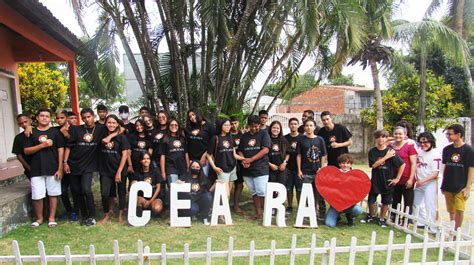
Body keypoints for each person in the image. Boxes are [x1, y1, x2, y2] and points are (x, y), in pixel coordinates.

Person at [64, 108, 107, 226]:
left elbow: (120, 128)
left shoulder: (100, 129)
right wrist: (65, 162)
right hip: (74, 164)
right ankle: (84, 215)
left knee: (86, 190)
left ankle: (92, 216)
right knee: (77, 191)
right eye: (84, 118)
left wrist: (109, 137)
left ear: (93, 116)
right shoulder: (76, 130)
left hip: (89, 165)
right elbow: (69, 147)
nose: (87, 119)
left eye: (89, 117)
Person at [24, 109, 65, 228]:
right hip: (36, 168)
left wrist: (60, 168)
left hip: (53, 168)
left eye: (47, 116)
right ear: (37, 117)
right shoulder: (31, 132)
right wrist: (43, 145)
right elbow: (26, 151)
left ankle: (51, 218)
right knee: (37, 195)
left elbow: (60, 150)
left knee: (53, 194)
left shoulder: (55, 132)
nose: (44, 118)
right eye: (42, 116)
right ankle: (39, 218)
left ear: (50, 118)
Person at [362, 130, 405, 228]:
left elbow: (402, 164)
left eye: (383, 137)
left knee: (386, 201)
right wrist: (386, 157)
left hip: (387, 181)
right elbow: (374, 165)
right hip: (376, 180)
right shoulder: (372, 151)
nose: (381, 139)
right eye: (378, 137)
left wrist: (397, 178)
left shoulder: (390, 151)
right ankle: (371, 215)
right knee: (371, 200)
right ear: (376, 138)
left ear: (386, 139)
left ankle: (382, 218)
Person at [237, 115, 271, 220]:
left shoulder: (264, 134)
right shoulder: (244, 136)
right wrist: (243, 160)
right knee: (254, 192)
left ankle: (267, 213)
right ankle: (258, 213)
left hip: (260, 168)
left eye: (257, 126)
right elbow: (240, 150)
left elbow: (265, 150)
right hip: (247, 169)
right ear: (248, 125)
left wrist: (251, 159)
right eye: (252, 126)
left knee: (262, 191)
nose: (255, 128)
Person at [441, 124, 474, 230]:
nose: (448, 137)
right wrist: (442, 184)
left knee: (460, 209)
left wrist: (468, 187)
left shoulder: (468, 150)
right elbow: (444, 166)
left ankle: (457, 231)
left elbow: (471, 169)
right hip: (448, 184)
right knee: (451, 210)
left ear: (459, 135)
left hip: (461, 185)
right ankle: (452, 229)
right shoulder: (446, 149)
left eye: (450, 134)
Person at [98, 115, 130, 224]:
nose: (111, 125)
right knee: (105, 193)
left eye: (114, 123)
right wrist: (114, 134)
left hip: (120, 170)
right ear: (105, 123)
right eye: (109, 122)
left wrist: (119, 172)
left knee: (121, 192)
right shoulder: (102, 135)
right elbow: (104, 141)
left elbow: (125, 155)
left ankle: (120, 215)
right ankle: (107, 213)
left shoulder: (122, 138)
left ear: (117, 124)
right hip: (105, 170)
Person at [296, 119, 327, 220]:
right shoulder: (301, 140)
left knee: (320, 194)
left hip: (317, 171)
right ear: (304, 127)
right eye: (307, 126)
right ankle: (307, 213)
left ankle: (321, 214)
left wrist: (321, 168)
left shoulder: (320, 140)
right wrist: (299, 170)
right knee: (306, 194)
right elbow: (299, 155)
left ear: (314, 127)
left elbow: (323, 155)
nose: (309, 127)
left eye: (311, 125)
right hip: (306, 172)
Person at [207, 118, 244, 198]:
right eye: (225, 125)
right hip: (222, 169)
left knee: (228, 193)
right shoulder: (215, 138)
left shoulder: (230, 138)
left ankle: (210, 195)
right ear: (220, 126)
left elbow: (234, 154)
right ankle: (208, 198)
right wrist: (214, 167)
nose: (228, 127)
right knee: (225, 194)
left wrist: (245, 159)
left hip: (232, 168)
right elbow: (208, 155)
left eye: (229, 125)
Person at [325, 154, 364, 227]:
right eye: (343, 163)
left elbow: (358, 190)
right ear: (339, 164)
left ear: (351, 165)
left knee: (359, 210)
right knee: (330, 224)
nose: (345, 165)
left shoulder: (355, 176)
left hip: (349, 205)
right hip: (335, 205)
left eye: (348, 163)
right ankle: (337, 215)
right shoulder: (334, 175)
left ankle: (349, 216)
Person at [414, 132, 441, 231]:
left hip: (429, 182)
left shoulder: (435, 154)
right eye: (420, 142)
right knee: (416, 203)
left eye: (425, 142)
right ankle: (421, 222)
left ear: (431, 142)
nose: (423, 144)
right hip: (419, 182)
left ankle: (434, 227)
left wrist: (422, 181)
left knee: (430, 204)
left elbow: (435, 173)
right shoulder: (420, 152)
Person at [55, 110, 78, 221]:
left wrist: (66, 134)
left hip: (73, 163)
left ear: (67, 118)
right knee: (63, 190)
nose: (60, 120)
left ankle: (77, 211)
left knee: (75, 189)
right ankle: (68, 210)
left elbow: (75, 144)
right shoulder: (54, 130)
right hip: (59, 165)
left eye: (62, 118)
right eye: (58, 118)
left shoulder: (75, 129)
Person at [390, 126, 417, 218]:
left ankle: (407, 220)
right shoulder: (390, 147)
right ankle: (394, 217)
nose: (398, 136)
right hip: (394, 178)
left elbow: (413, 164)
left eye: (400, 134)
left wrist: (411, 179)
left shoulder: (409, 147)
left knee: (408, 201)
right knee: (395, 200)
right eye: (396, 134)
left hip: (406, 178)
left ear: (405, 135)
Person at [176, 161, 212, 225]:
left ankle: (205, 217)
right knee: (193, 209)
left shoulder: (204, 178)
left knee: (208, 196)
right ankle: (190, 215)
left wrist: (217, 183)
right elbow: (178, 191)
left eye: (197, 167)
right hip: (190, 201)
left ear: (200, 169)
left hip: (200, 200)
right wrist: (178, 183)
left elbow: (210, 189)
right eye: (193, 167)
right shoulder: (184, 177)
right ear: (190, 167)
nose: (195, 168)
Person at [185, 109, 215, 176]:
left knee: (203, 180)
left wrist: (205, 155)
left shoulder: (209, 125)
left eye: (193, 115)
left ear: (198, 114)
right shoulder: (189, 127)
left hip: (204, 158)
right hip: (192, 159)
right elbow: (187, 144)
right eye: (190, 117)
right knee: (193, 181)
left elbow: (213, 142)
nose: (192, 117)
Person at [160, 119, 189, 184]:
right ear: (168, 126)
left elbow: (186, 154)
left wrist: (188, 167)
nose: (174, 126)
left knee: (182, 190)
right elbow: (162, 156)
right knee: (173, 188)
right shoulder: (165, 139)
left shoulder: (182, 138)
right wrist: (163, 172)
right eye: (172, 125)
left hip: (182, 168)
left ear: (178, 127)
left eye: (176, 125)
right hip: (171, 168)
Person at [284, 117, 301, 214]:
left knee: (299, 189)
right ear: (289, 125)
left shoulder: (302, 137)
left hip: (299, 168)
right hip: (288, 167)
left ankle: (300, 206)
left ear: (298, 125)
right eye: (291, 124)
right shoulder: (285, 138)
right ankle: (289, 206)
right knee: (289, 188)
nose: (293, 125)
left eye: (295, 124)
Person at [268, 121, 289, 188]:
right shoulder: (266, 139)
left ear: (280, 130)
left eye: (278, 128)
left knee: (281, 188)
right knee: (271, 189)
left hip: (282, 168)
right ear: (270, 128)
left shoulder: (283, 139)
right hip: (270, 168)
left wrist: (284, 163)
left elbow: (288, 153)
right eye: (274, 128)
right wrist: (270, 164)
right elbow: (263, 155)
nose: (275, 130)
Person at [230, 116, 244, 214]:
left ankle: (236, 205)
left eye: (236, 123)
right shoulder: (227, 135)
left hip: (241, 163)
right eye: (232, 123)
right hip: (230, 162)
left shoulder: (242, 134)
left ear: (238, 123)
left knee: (239, 185)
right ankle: (224, 205)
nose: (234, 125)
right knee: (228, 185)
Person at [12, 114, 33, 179]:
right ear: (19, 125)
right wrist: (28, 167)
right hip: (30, 167)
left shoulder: (39, 133)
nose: (24, 124)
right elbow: (18, 155)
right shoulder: (18, 138)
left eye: (25, 122)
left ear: (30, 121)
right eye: (21, 123)